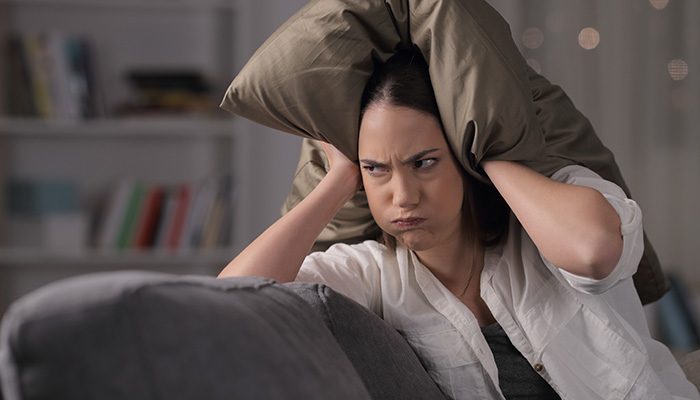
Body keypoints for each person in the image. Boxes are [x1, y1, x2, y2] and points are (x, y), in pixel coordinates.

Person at [218, 49, 699, 399]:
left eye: (424, 162)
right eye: (377, 169)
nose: (402, 196)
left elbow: (594, 253)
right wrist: (339, 180)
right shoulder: (373, 272)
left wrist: (485, 151)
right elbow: (232, 305)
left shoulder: (561, 199)